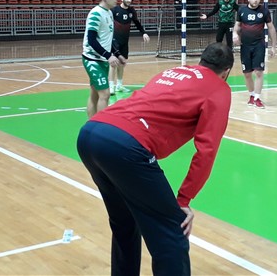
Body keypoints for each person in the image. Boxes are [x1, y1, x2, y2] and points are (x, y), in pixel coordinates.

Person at [77, 42, 234, 276]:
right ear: (226, 72)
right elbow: (207, 149)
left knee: (125, 222)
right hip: (125, 145)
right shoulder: (219, 88)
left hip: (91, 133)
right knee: (172, 233)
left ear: (201, 60)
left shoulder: (172, 72)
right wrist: (183, 199)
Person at [82, 0, 125, 118]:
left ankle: (91, 123)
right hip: (92, 59)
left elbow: (107, 39)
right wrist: (108, 55)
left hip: (102, 59)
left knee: (94, 94)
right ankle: (101, 125)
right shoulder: (96, 13)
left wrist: (117, 54)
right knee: (105, 94)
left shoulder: (109, 13)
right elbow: (91, 40)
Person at [233, 0, 277, 109]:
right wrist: (235, 34)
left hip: (259, 45)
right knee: (247, 74)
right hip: (245, 46)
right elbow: (237, 26)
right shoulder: (242, 10)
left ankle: (257, 98)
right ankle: (252, 95)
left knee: (258, 72)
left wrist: (273, 46)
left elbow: (271, 28)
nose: (255, 0)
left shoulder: (264, 11)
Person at [109, 0, 149, 94]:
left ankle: (119, 85)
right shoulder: (114, 10)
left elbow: (137, 23)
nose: (129, 0)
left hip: (124, 41)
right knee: (113, 64)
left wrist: (143, 33)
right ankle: (111, 86)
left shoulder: (131, 11)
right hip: (114, 41)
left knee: (122, 63)